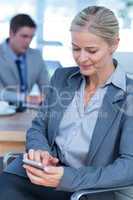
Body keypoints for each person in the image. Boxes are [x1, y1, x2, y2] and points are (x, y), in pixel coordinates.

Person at [0, 5, 133, 200]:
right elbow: (38, 127)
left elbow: (129, 166)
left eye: (91, 50)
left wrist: (66, 178)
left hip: (84, 189)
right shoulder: (62, 77)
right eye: (75, 48)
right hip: (40, 175)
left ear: (114, 44)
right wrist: (40, 151)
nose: (81, 58)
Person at [0, 14, 49, 111]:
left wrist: (48, 97)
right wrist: (26, 98)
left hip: (27, 113)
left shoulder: (36, 56)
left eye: (31, 37)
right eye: (24, 36)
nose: (28, 41)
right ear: (11, 33)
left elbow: (47, 87)